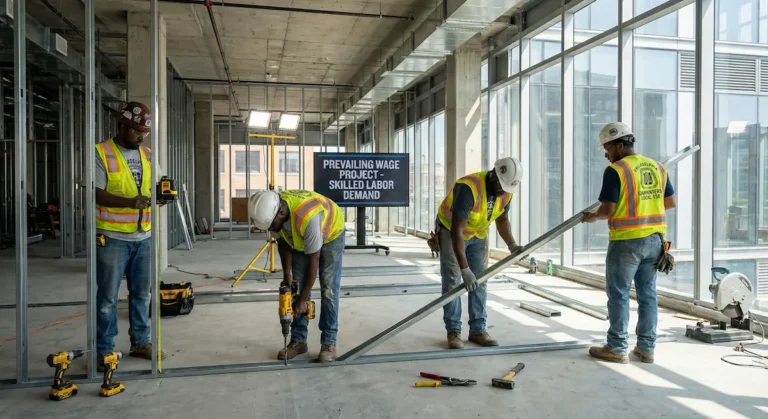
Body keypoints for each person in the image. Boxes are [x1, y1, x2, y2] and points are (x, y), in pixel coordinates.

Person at [581, 122, 676, 364]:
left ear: (620, 146)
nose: (606, 154)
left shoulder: (617, 170)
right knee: (647, 295)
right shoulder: (658, 167)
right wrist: (644, 210)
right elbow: (670, 202)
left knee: (619, 294)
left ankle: (617, 347)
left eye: (608, 149)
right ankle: (646, 348)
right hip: (655, 240)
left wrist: (593, 217)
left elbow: (608, 209)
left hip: (626, 242)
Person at [95, 101, 166, 364]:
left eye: (144, 132)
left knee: (142, 294)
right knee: (107, 297)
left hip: (144, 236)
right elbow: (95, 192)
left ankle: (141, 342)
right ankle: (104, 349)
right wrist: (128, 202)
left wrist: (162, 197)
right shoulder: (101, 152)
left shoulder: (147, 155)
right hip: (112, 237)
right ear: (122, 126)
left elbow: (157, 186)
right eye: (136, 131)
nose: (140, 136)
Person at [436, 157, 525, 349]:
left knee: (481, 281)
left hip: (479, 233)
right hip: (451, 231)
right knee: (453, 282)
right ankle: (454, 332)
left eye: (506, 189)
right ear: (494, 176)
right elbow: (456, 232)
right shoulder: (469, 188)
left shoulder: (507, 191)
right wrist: (465, 269)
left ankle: (478, 330)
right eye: (501, 187)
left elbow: (502, 220)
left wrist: (512, 245)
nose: (503, 191)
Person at [248, 189, 345, 362]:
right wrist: (287, 274)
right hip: (300, 235)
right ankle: (299, 340)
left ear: (282, 212)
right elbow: (283, 242)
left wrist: (303, 300)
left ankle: (329, 342)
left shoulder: (308, 218)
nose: (270, 229)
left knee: (328, 288)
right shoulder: (273, 214)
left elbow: (313, 263)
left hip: (331, 234)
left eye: (271, 226)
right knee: (296, 286)